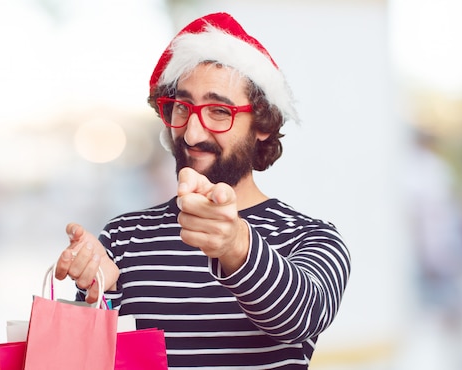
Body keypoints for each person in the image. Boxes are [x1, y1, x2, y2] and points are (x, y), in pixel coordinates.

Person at [55, 12, 351, 369]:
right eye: (182, 107)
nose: (192, 134)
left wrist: (236, 248)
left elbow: (300, 319)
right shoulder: (122, 238)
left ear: (262, 123)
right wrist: (102, 296)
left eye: (218, 111)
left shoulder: (310, 238)